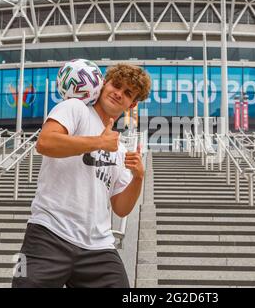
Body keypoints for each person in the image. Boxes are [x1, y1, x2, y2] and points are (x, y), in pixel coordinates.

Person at [12, 63, 151, 288]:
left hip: (98, 247)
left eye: (128, 93)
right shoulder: (75, 108)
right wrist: (98, 142)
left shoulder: (121, 150)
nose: (119, 93)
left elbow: (121, 208)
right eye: (116, 85)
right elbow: (45, 142)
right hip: (49, 234)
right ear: (103, 83)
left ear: (132, 104)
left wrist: (138, 178)